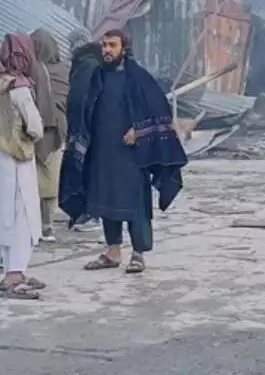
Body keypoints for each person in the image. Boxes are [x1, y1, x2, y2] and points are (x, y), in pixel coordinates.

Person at [60, 28, 187, 273]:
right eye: (104, 45)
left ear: (124, 48)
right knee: (106, 202)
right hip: (102, 153)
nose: (107, 50)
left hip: (132, 156)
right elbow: (85, 109)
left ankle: (138, 254)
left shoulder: (138, 78)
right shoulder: (97, 77)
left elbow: (159, 113)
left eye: (112, 45)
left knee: (135, 205)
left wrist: (139, 131)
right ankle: (113, 252)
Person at [0, 33, 45, 300]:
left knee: (5, 214)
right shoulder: (18, 87)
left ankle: (11, 270)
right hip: (19, 157)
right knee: (23, 216)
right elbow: (36, 127)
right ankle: (15, 276)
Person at [62, 28, 102, 234]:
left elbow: (80, 100)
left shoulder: (86, 65)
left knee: (85, 168)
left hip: (85, 127)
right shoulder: (89, 63)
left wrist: (77, 128)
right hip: (89, 125)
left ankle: (91, 213)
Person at [31, 28, 69, 242]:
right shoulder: (63, 70)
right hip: (59, 128)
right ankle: (47, 223)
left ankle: (41, 223)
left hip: (38, 127)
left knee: (37, 176)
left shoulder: (32, 70)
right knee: (51, 176)